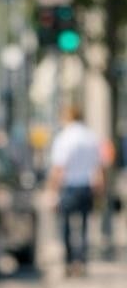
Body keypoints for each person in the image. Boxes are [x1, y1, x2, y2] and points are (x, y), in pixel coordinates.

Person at [49, 102, 103, 275]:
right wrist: (100, 189)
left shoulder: (64, 137)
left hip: (69, 186)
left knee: (66, 226)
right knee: (85, 226)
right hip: (87, 185)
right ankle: (83, 261)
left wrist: (52, 191)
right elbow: (98, 166)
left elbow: (59, 167)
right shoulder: (90, 137)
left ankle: (69, 262)